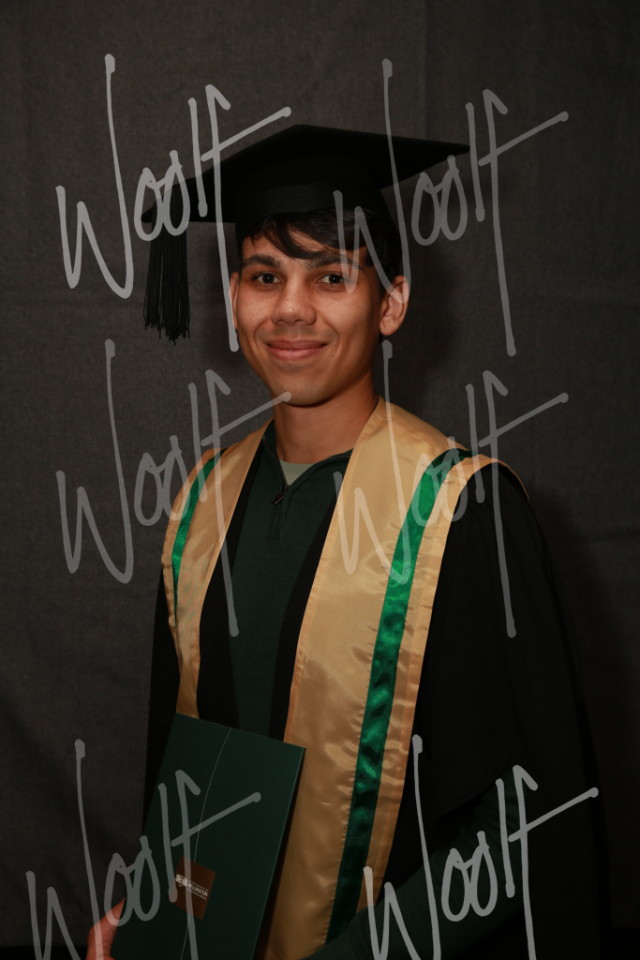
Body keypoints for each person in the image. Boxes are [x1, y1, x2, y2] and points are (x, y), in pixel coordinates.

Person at [88, 126, 602, 959]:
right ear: (234, 298)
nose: (291, 309)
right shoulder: (199, 508)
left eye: (331, 276)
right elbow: (191, 779)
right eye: (265, 276)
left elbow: (526, 819)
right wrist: (151, 913)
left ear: (392, 302)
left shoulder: (462, 512)